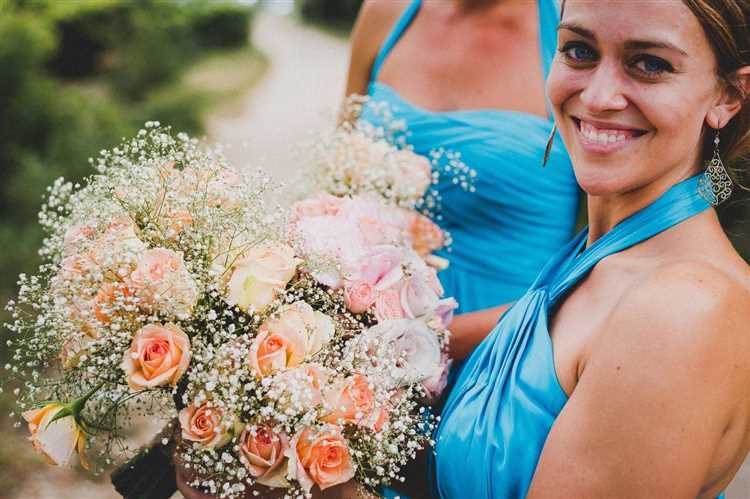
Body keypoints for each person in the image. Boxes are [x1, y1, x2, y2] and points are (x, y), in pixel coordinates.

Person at [433, 0, 750, 497]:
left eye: (651, 64)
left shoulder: (684, 309)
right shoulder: (598, 261)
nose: (599, 96)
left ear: (728, 97)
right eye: (579, 50)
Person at [346, 0, 580, 360]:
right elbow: (336, 179)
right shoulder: (387, 12)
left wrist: (421, 343)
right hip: (361, 347)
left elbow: (597, 271)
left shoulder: (577, 28)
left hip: (502, 360)